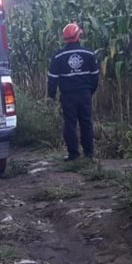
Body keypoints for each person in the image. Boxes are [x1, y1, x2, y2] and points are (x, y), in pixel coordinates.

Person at [47, 22, 99, 161]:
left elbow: (52, 79)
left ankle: (73, 155)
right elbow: (95, 77)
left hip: (68, 95)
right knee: (86, 123)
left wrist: (51, 94)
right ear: (78, 36)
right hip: (85, 94)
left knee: (70, 124)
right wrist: (90, 91)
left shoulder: (58, 56)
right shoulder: (89, 54)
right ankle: (89, 154)